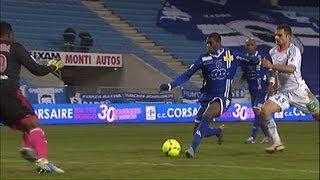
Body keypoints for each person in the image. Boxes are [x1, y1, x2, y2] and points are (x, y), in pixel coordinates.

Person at [159, 33, 261, 158]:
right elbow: (187, 74)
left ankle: (192, 149)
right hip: (207, 97)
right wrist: (170, 85)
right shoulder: (203, 59)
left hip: (223, 98)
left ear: (218, 43)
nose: (208, 45)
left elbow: (250, 60)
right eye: (207, 43)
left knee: (207, 115)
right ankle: (218, 131)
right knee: (198, 130)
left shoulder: (231, 55)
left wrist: (256, 60)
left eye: (211, 43)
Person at [0, 21, 65, 173]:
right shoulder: (16, 47)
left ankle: (28, 148)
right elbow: (37, 70)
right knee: (32, 124)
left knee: (25, 126)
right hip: (9, 92)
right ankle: (42, 160)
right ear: (10, 34)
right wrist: (53, 66)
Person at [260, 24, 320, 153]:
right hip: (283, 93)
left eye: (280, 35)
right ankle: (277, 143)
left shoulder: (294, 51)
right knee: (265, 110)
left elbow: (290, 69)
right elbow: (273, 70)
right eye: (275, 35)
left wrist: (271, 65)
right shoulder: (272, 51)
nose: (276, 37)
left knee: (318, 115)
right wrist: (272, 82)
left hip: (299, 92)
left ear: (288, 37)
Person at [233, 38, 272, 144]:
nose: (249, 46)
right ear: (245, 47)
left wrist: (271, 83)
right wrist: (238, 84)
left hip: (262, 87)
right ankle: (268, 135)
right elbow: (245, 73)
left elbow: (271, 69)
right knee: (258, 114)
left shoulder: (262, 56)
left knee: (257, 110)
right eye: (247, 45)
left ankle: (252, 137)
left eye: (251, 45)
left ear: (255, 46)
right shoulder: (245, 59)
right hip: (252, 88)